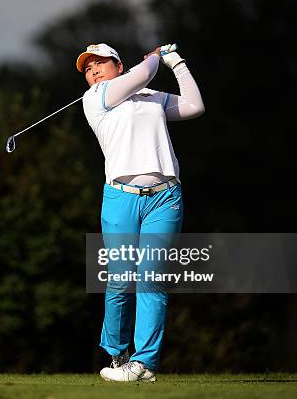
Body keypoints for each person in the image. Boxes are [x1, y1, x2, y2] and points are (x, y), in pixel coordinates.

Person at [76, 43, 204, 382]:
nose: (94, 71)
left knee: (152, 279)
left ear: (118, 65)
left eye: (100, 63)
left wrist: (176, 62)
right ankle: (117, 353)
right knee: (120, 280)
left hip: (165, 198)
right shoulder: (97, 98)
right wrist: (155, 56)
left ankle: (144, 363)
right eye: (88, 69)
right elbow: (145, 71)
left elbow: (194, 106)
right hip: (121, 198)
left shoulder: (151, 97)